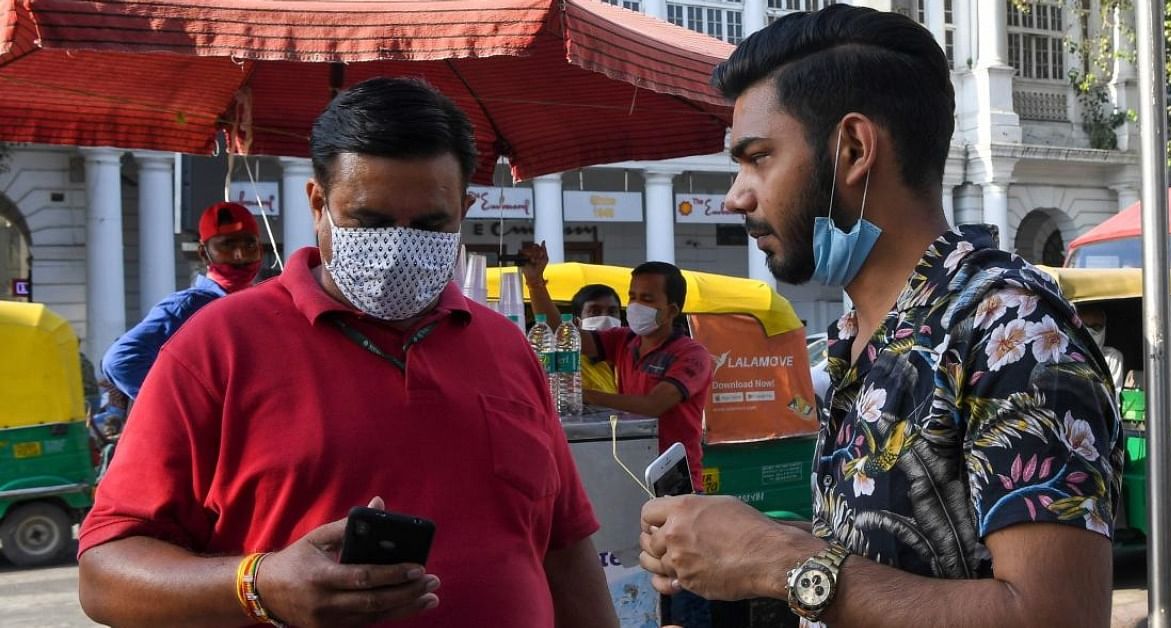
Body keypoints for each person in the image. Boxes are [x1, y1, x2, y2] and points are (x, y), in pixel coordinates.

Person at [637, 7, 1123, 628]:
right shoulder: (853, 340)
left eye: (758, 157)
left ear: (854, 149)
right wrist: (733, 555)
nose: (737, 195)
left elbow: (1059, 617)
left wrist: (775, 558)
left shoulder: (1013, 331)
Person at [78, 77, 616, 628]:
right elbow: (106, 572)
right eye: (370, 221)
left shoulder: (506, 346)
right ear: (318, 203)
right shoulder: (216, 347)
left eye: (431, 224)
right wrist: (257, 584)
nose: (399, 247)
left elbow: (565, 548)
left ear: (464, 208)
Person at [573, 260, 714, 628]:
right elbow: (570, 339)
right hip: (632, 480)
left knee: (684, 592)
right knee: (646, 591)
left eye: (646, 298)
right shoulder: (625, 342)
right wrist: (535, 284)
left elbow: (654, 404)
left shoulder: (692, 355)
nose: (635, 305)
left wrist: (584, 395)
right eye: (631, 296)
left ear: (671, 309)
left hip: (677, 490)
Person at [100, 201, 262, 400]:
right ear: (204, 253)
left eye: (249, 244)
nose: (240, 255)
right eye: (227, 245)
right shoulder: (188, 307)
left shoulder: (264, 304)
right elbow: (120, 361)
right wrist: (190, 407)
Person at [519, 240, 624, 394]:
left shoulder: (628, 355)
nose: (605, 318)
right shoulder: (572, 361)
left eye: (612, 311)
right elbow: (555, 328)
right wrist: (535, 283)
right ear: (576, 322)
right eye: (594, 312)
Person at [1078, 305, 1126, 392]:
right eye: (1084, 327)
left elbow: (1113, 396)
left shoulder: (1112, 357)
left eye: (1096, 327)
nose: (1090, 331)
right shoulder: (1063, 354)